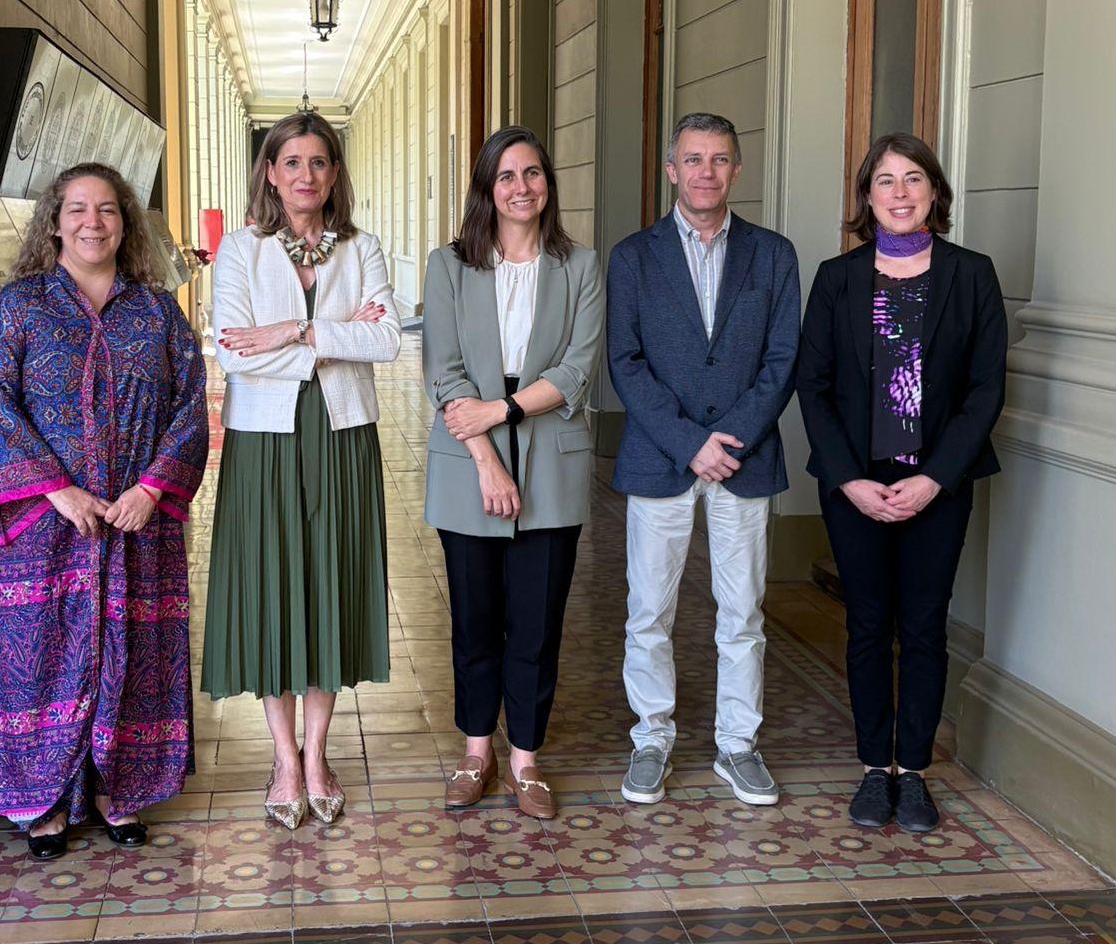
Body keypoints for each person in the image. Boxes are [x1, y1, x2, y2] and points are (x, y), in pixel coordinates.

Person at [0, 162, 207, 860]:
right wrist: (52, 489)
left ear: (126, 222)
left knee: (131, 651)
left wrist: (151, 488)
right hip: (42, 527)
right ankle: (44, 800)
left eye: (107, 210)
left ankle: (114, 788)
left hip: (132, 522)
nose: (92, 223)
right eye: (77, 210)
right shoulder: (20, 308)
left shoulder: (158, 313)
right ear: (54, 222)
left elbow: (190, 406)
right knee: (41, 654)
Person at [796, 132, 1007, 832]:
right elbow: (815, 387)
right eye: (884, 181)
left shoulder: (972, 275)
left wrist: (936, 479)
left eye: (913, 179)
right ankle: (870, 769)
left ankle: (911, 771)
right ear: (866, 197)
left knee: (923, 625)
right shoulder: (837, 278)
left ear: (936, 193)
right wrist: (850, 478)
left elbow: (984, 389)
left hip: (936, 488)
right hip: (855, 485)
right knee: (866, 625)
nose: (900, 193)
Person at [201, 112, 399, 829]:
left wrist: (295, 329)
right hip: (266, 440)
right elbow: (232, 353)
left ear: (335, 173)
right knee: (273, 583)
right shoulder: (240, 251)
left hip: (344, 434)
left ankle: (319, 753)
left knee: (330, 584)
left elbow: (385, 342)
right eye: (291, 162)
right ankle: (284, 758)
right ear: (270, 172)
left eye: (319, 162)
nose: (305, 175)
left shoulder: (362, 247)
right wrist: (333, 339)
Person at [607, 112, 800, 808]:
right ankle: (651, 738)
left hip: (744, 461)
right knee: (648, 613)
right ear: (671, 170)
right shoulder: (633, 256)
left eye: (719, 159)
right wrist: (689, 442)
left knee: (742, 612)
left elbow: (781, 362)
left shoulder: (773, 255)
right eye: (692, 159)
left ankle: (737, 746)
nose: (705, 172)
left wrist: (729, 441)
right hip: (662, 461)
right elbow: (623, 363)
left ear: (736, 170)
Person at [422, 126, 604, 820]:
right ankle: (477, 751)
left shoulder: (579, 266)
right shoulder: (449, 266)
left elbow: (577, 369)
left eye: (532, 173)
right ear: (486, 188)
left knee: (536, 623)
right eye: (506, 176)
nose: (521, 187)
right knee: (474, 621)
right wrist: (488, 459)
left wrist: (501, 409)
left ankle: (526, 759)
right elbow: (443, 371)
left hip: (550, 454)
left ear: (547, 184)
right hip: (466, 462)